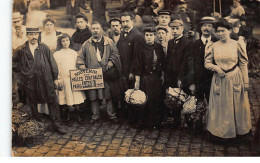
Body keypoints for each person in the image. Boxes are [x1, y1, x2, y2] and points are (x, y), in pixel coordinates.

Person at [13, 26, 66, 134]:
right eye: (31, 34)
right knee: (32, 103)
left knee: (52, 101)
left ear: (38, 35)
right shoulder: (21, 49)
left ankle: (57, 125)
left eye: (36, 34)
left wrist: (55, 77)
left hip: (46, 80)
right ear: (27, 35)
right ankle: (38, 126)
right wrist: (23, 72)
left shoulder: (44, 48)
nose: (34, 37)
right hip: (30, 81)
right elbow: (13, 64)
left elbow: (52, 63)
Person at [205, 19, 251, 140]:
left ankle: (239, 133)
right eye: (218, 31)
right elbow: (207, 63)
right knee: (221, 107)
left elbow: (243, 63)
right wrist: (216, 68)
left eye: (223, 31)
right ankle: (221, 134)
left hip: (235, 78)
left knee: (237, 106)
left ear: (229, 30)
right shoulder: (213, 46)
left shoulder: (237, 44)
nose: (220, 34)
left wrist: (246, 82)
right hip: (220, 80)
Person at [76, 21, 121, 124]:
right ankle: (95, 115)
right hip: (93, 75)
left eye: (97, 28)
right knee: (93, 97)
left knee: (108, 96)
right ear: (91, 30)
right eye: (93, 28)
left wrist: (111, 61)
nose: (95, 31)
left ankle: (111, 115)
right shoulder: (86, 44)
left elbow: (115, 54)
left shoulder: (108, 42)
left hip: (105, 73)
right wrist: (82, 65)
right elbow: (80, 57)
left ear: (101, 30)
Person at [133, 24, 165, 129]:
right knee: (144, 100)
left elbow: (162, 62)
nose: (149, 37)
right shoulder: (140, 48)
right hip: (145, 78)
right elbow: (137, 65)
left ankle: (155, 123)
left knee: (155, 100)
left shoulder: (158, 47)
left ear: (154, 36)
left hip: (156, 78)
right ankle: (142, 122)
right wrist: (137, 81)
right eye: (147, 35)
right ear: (144, 36)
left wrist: (162, 75)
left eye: (151, 35)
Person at [164, 19, 194, 128]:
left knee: (183, 96)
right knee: (173, 96)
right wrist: (166, 73)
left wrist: (181, 78)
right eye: (173, 29)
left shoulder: (187, 43)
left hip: (181, 75)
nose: (175, 31)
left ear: (182, 29)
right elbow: (168, 59)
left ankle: (188, 120)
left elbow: (185, 62)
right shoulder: (170, 42)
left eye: (177, 28)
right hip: (171, 75)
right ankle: (176, 120)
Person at [54, 33, 86, 125]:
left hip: (74, 78)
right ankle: (68, 116)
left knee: (76, 98)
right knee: (66, 97)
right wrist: (58, 78)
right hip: (64, 78)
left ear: (70, 41)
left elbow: (77, 65)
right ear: (60, 42)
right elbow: (57, 67)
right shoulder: (57, 54)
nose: (65, 42)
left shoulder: (73, 53)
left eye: (67, 40)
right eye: (63, 41)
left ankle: (77, 115)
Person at [117, 12, 144, 120]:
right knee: (126, 93)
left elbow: (137, 56)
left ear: (132, 21)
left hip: (131, 71)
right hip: (123, 70)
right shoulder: (123, 34)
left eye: (127, 21)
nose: (125, 23)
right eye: (123, 21)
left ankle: (134, 117)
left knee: (133, 94)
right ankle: (127, 115)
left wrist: (133, 71)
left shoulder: (137, 35)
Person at [192, 16, 217, 102]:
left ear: (213, 28)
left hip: (212, 79)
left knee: (213, 103)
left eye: (209, 26)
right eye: (204, 25)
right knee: (198, 104)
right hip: (198, 80)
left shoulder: (216, 43)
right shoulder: (194, 45)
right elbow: (191, 64)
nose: (206, 28)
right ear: (201, 28)